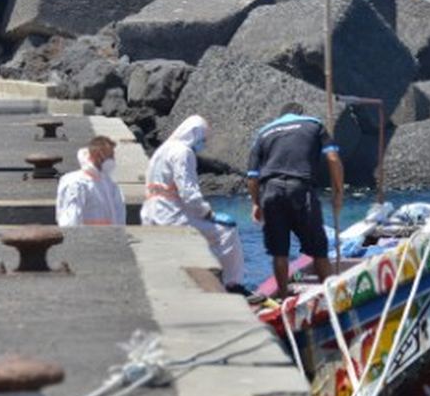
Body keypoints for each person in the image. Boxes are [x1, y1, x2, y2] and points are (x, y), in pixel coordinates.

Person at [247, 103, 344, 299]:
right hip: (300, 188)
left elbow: (252, 176)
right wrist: (339, 191)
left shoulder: (264, 133)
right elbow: (333, 158)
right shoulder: (314, 124)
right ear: (300, 113)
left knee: (279, 251)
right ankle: (329, 295)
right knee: (319, 248)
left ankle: (283, 297)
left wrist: (256, 203)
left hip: (271, 191)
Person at [141, 115, 246, 291]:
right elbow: (189, 194)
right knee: (227, 232)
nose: (203, 143)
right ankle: (232, 284)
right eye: (203, 139)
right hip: (172, 218)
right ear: (195, 134)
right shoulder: (183, 153)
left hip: (151, 214)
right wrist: (208, 213)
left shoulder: (162, 151)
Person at [56, 136, 125, 227]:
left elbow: (118, 217)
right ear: (98, 155)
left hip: (108, 238)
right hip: (87, 239)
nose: (113, 160)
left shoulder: (108, 183)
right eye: (110, 156)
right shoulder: (77, 184)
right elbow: (70, 221)